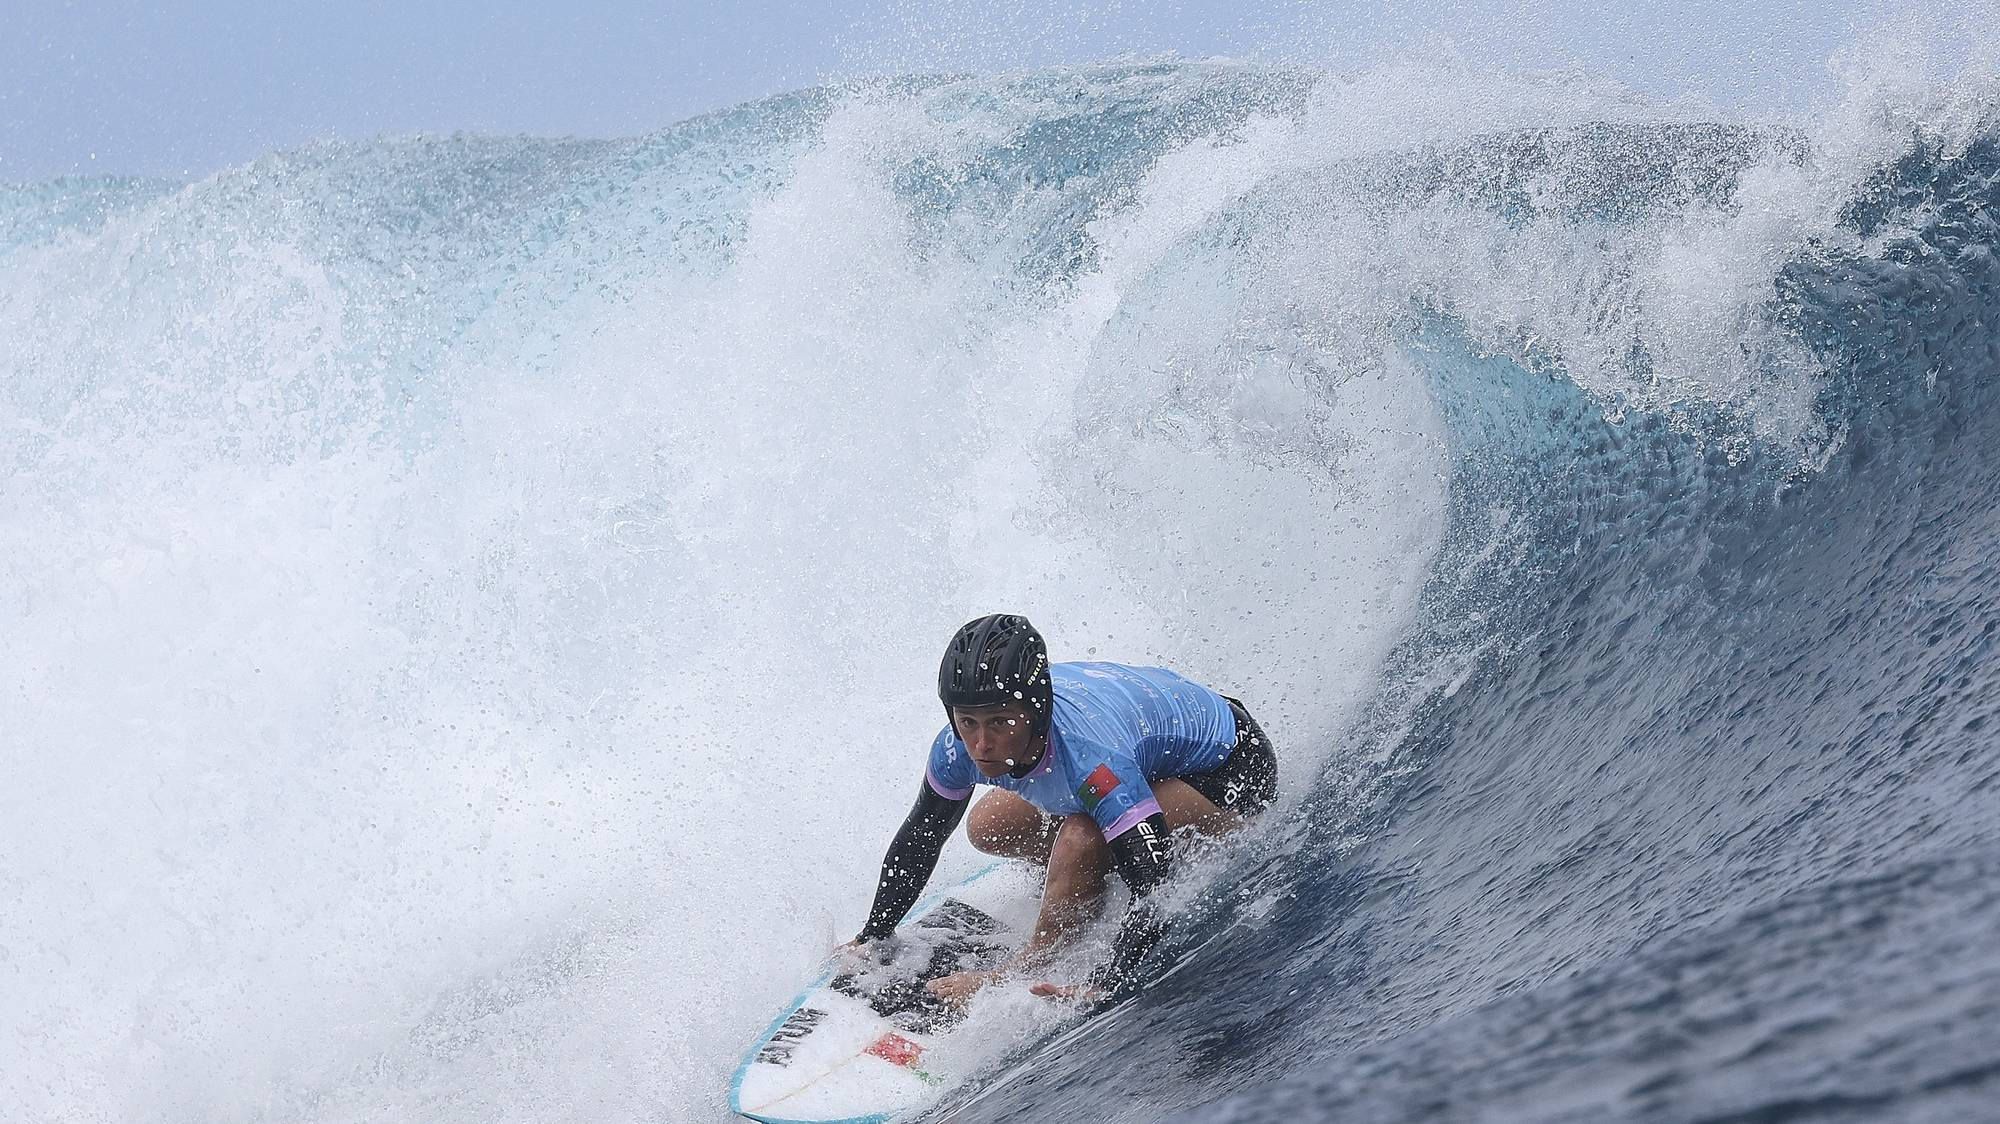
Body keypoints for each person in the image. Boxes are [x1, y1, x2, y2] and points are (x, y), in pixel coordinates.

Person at [852, 613, 1277, 1006]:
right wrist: (873, 935)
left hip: (1231, 769)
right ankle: (1091, 880)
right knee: (988, 825)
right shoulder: (956, 748)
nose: (981, 744)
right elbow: (921, 837)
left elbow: (1155, 883)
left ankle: (1029, 961)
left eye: (1000, 723)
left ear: (1036, 712)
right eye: (968, 722)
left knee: (1081, 836)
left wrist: (1107, 980)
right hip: (1141, 749)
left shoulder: (1092, 759)